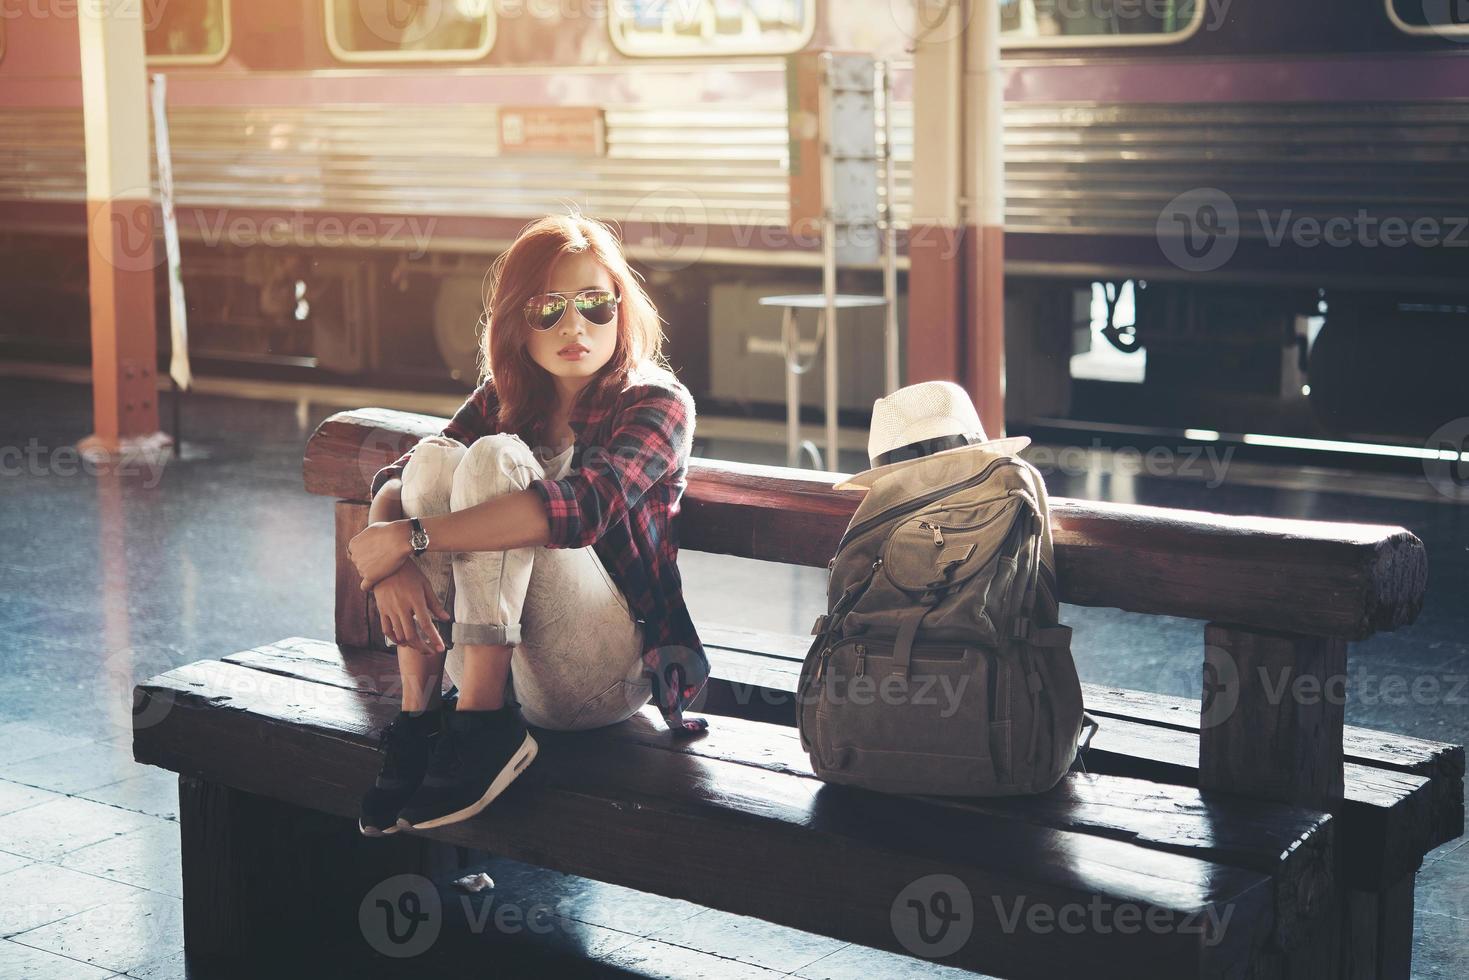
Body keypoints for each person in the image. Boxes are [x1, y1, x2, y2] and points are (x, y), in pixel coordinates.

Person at [347, 213, 709, 837]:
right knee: (438, 460)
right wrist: (391, 561)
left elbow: (582, 512)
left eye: (596, 304)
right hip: (495, 662)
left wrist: (410, 539)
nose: (574, 325)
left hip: (598, 676)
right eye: (548, 308)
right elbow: (403, 478)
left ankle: (483, 727)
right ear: (519, 319)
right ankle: (421, 722)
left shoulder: (656, 402)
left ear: (622, 311)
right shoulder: (504, 397)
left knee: (492, 458)